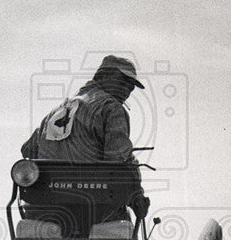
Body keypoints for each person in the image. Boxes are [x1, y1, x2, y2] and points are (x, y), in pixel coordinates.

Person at [21, 55, 150, 220]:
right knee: (127, 234)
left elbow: (27, 149)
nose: (128, 90)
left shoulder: (56, 111)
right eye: (123, 81)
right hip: (94, 211)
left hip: (45, 209)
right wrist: (136, 194)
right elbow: (117, 162)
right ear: (103, 76)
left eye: (131, 86)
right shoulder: (111, 107)